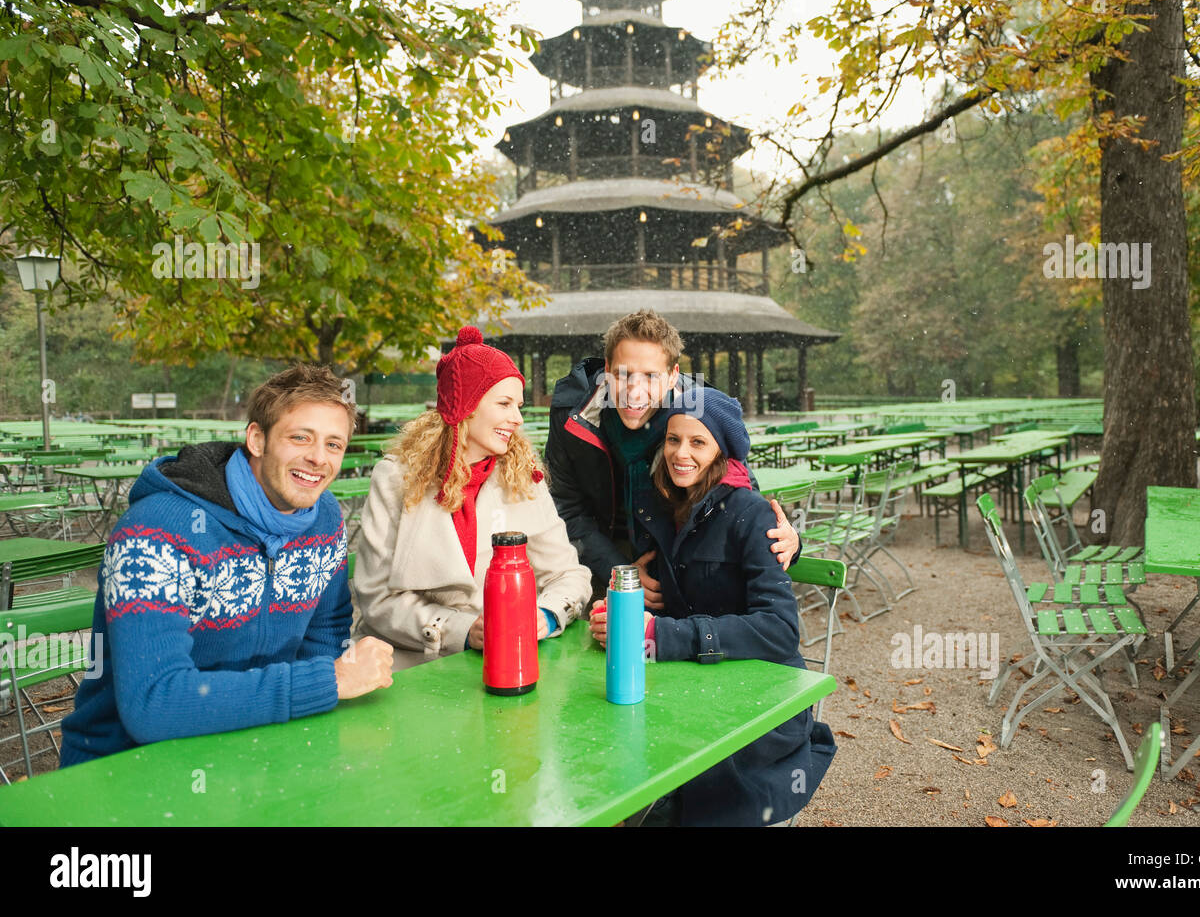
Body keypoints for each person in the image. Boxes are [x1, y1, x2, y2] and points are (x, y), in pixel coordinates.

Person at [60, 365, 394, 766]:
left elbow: (324, 633)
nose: (318, 458)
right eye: (300, 437)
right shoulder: (155, 530)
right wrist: (327, 682)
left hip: (258, 754)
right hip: (124, 768)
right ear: (256, 438)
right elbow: (153, 703)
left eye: (334, 444)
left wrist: (302, 732)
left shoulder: (324, 518)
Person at [589, 386, 836, 826]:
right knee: (598, 748)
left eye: (698, 442)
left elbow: (779, 629)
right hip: (689, 692)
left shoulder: (753, 514)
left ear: (723, 450)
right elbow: (665, 601)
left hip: (758, 709)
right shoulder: (656, 506)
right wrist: (620, 614)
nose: (680, 453)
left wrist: (658, 635)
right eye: (673, 439)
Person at [352, 327, 591, 670]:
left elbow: (568, 574)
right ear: (466, 406)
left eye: (519, 405)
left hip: (508, 661)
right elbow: (377, 600)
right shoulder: (394, 478)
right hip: (411, 669)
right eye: (505, 404)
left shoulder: (524, 477)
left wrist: (546, 615)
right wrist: (461, 631)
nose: (518, 419)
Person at [546, 308, 798, 605]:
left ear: (672, 377)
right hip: (597, 552)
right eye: (622, 374)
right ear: (606, 370)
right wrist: (620, 571)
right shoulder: (571, 413)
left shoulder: (701, 410)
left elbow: (739, 495)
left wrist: (790, 539)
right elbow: (565, 506)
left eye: (651, 377)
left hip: (676, 554)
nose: (634, 392)